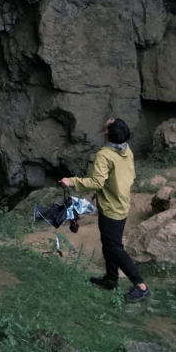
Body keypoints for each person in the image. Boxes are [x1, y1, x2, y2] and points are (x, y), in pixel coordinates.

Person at [62, 117, 149, 302]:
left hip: (111, 207)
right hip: (121, 203)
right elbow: (128, 176)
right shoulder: (127, 150)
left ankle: (140, 285)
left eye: (107, 126)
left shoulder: (105, 155)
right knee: (108, 242)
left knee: (114, 246)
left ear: (108, 133)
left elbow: (96, 182)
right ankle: (111, 279)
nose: (105, 127)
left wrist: (72, 181)